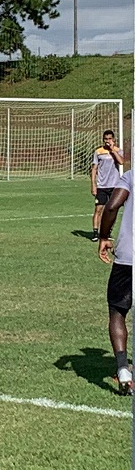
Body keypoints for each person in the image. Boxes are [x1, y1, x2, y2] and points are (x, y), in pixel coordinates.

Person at [98, 169, 132, 395]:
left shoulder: (131, 176)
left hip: (128, 258)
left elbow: (111, 206)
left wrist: (104, 236)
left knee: (117, 311)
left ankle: (123, 369)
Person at [91, 129, 123, 242]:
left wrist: (113, 150)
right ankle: (95, 233)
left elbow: (121, 162)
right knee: (98, 209)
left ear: (113, 139)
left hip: (114, 185)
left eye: (109, 139)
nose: (107, 141)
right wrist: (93, 185)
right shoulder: (98, 152)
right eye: (105, 139)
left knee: (112, 210)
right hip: (101, 186)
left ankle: (108, 232)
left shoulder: (118, 150)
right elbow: (94, 169)